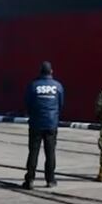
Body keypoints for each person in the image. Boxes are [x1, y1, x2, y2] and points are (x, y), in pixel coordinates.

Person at [23, 61, 64, 189]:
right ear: (51, 71)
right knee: (50, 152)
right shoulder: (57, 86)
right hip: (51, 124)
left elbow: (28, 103)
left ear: (40, 72)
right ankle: (50, 180)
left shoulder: (33, 85)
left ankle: (30, 180)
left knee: (33, 152)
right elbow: (60, 104)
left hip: (36, 124)